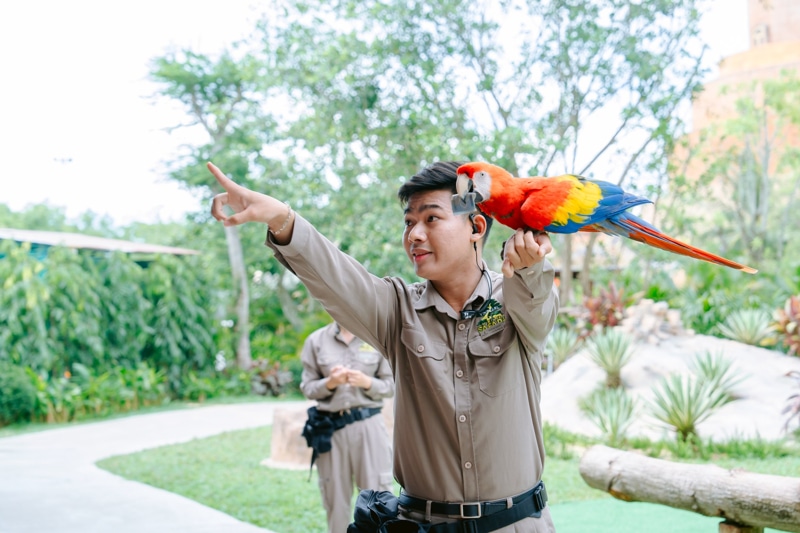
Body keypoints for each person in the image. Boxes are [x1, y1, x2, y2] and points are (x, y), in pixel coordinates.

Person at [208, 159, 559, 532]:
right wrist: (281, 219)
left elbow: (537, 306)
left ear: (476, 226)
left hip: (518, 524)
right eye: (409, 222)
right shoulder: (397, 309)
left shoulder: (516, 300)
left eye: (431, 218)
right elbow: (336, 276)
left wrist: (528, 266)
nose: (415, 235)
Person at [300, 320, 395, 533]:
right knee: (335, 500)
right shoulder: (316, 341)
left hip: (368, 426)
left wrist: (366, 382)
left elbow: (391, 386)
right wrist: (330, 383)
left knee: (377, 500)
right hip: (331, 429)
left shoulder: (377, 338)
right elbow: (308, 387)